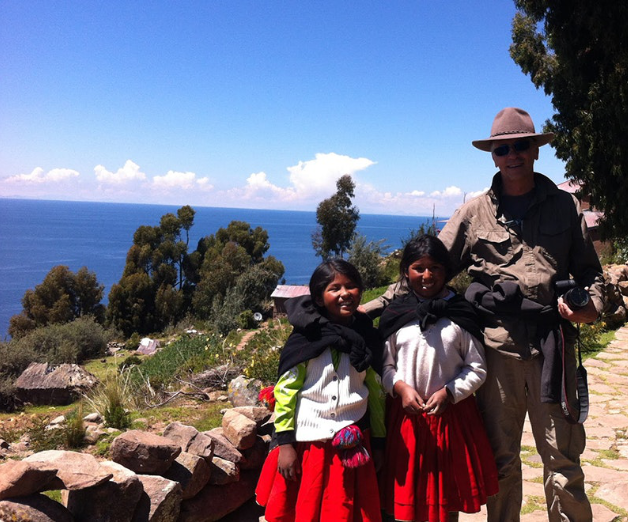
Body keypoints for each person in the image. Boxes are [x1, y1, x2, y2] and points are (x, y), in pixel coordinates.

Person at [365, 107, 604, 522]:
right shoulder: (473, 214)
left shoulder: (565, 208)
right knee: (502, 461)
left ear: (536, 150)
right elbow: (426, 272)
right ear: (493, 156)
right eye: (502, 148)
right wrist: (359, 310)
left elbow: (591, 274)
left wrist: (589, 307)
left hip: (554, 350)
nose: (512, 154)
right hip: (494, 353)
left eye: (521, 145)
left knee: (563, 462)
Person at [378, 234, 499, 522]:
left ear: (446, 271)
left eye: (435, 268)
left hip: (451, 421)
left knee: (445, 501)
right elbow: (384, 365)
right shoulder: (396, 314)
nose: (427, 275)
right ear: (406, 270)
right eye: (419, 268)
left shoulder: (460, 315)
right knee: (405, 498)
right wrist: (400, 387)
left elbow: (477, 367)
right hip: (406, 422)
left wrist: (450, 392)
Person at [256, 259, 385, 522]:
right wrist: (286, 444)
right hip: (309, 447)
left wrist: (380, 441)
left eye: (351, 286)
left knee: (346, 510)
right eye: (334, 288)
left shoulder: (366, 338)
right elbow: (286, 393)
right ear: (318, 296)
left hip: (353, 445)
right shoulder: (306, 338)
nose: (344, 294)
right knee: (307, 509)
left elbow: (377, 393)